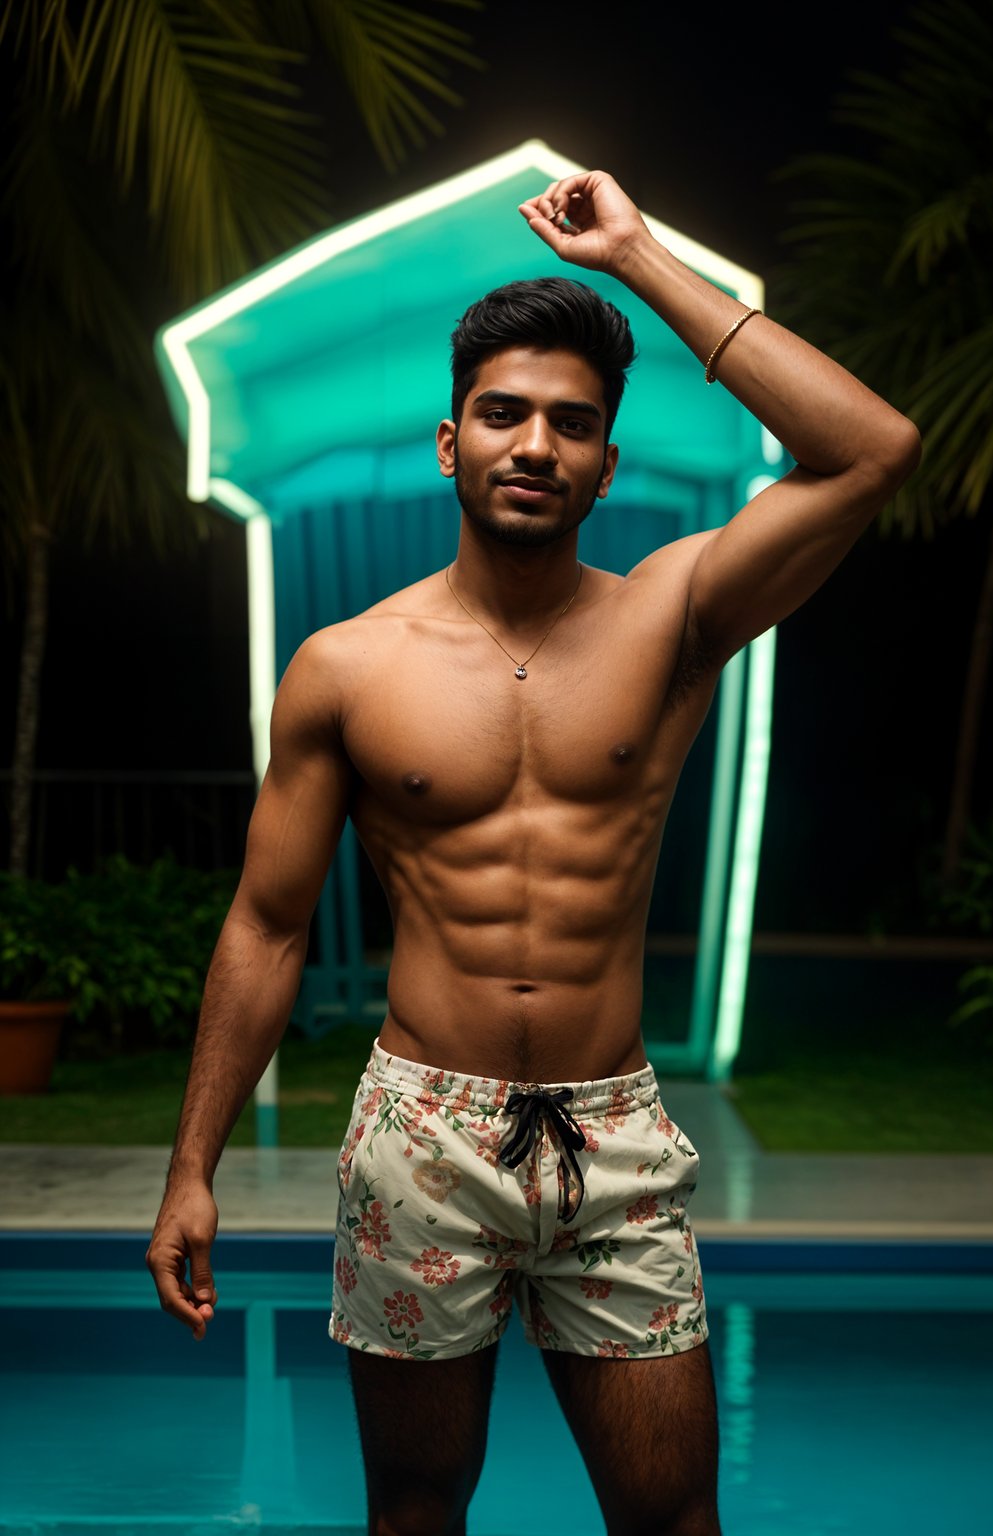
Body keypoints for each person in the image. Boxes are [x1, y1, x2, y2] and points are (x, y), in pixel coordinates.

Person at [147, 170, 920, 1535]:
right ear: (450, 443)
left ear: (608, 464)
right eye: (505, 413)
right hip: (419, 1133)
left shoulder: (676, 613)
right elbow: (267, 928)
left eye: (573, 423)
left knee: (674, 1518)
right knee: (418, 1511)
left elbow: (872, 451)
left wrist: (637, 261)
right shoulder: (347, 667)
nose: (536, 444)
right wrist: (191, 1166)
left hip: (610, 1131)